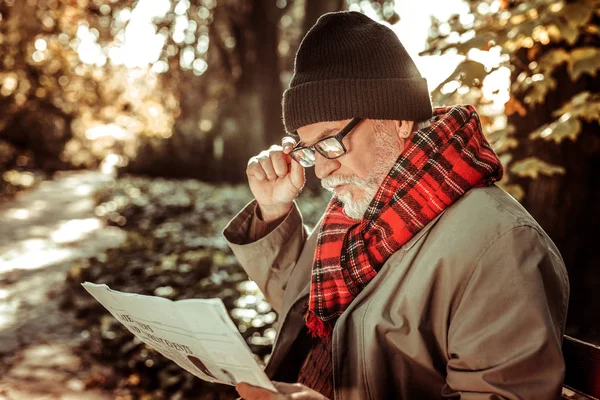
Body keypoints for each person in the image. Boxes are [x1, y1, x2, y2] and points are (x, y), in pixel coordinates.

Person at [223, 11, 569, 400]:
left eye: (331, 141)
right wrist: (273, 212)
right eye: (308, 150)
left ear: (399, 120)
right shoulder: (353, 210)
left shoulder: (502, 246)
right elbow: (313, 313)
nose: (321, 169)